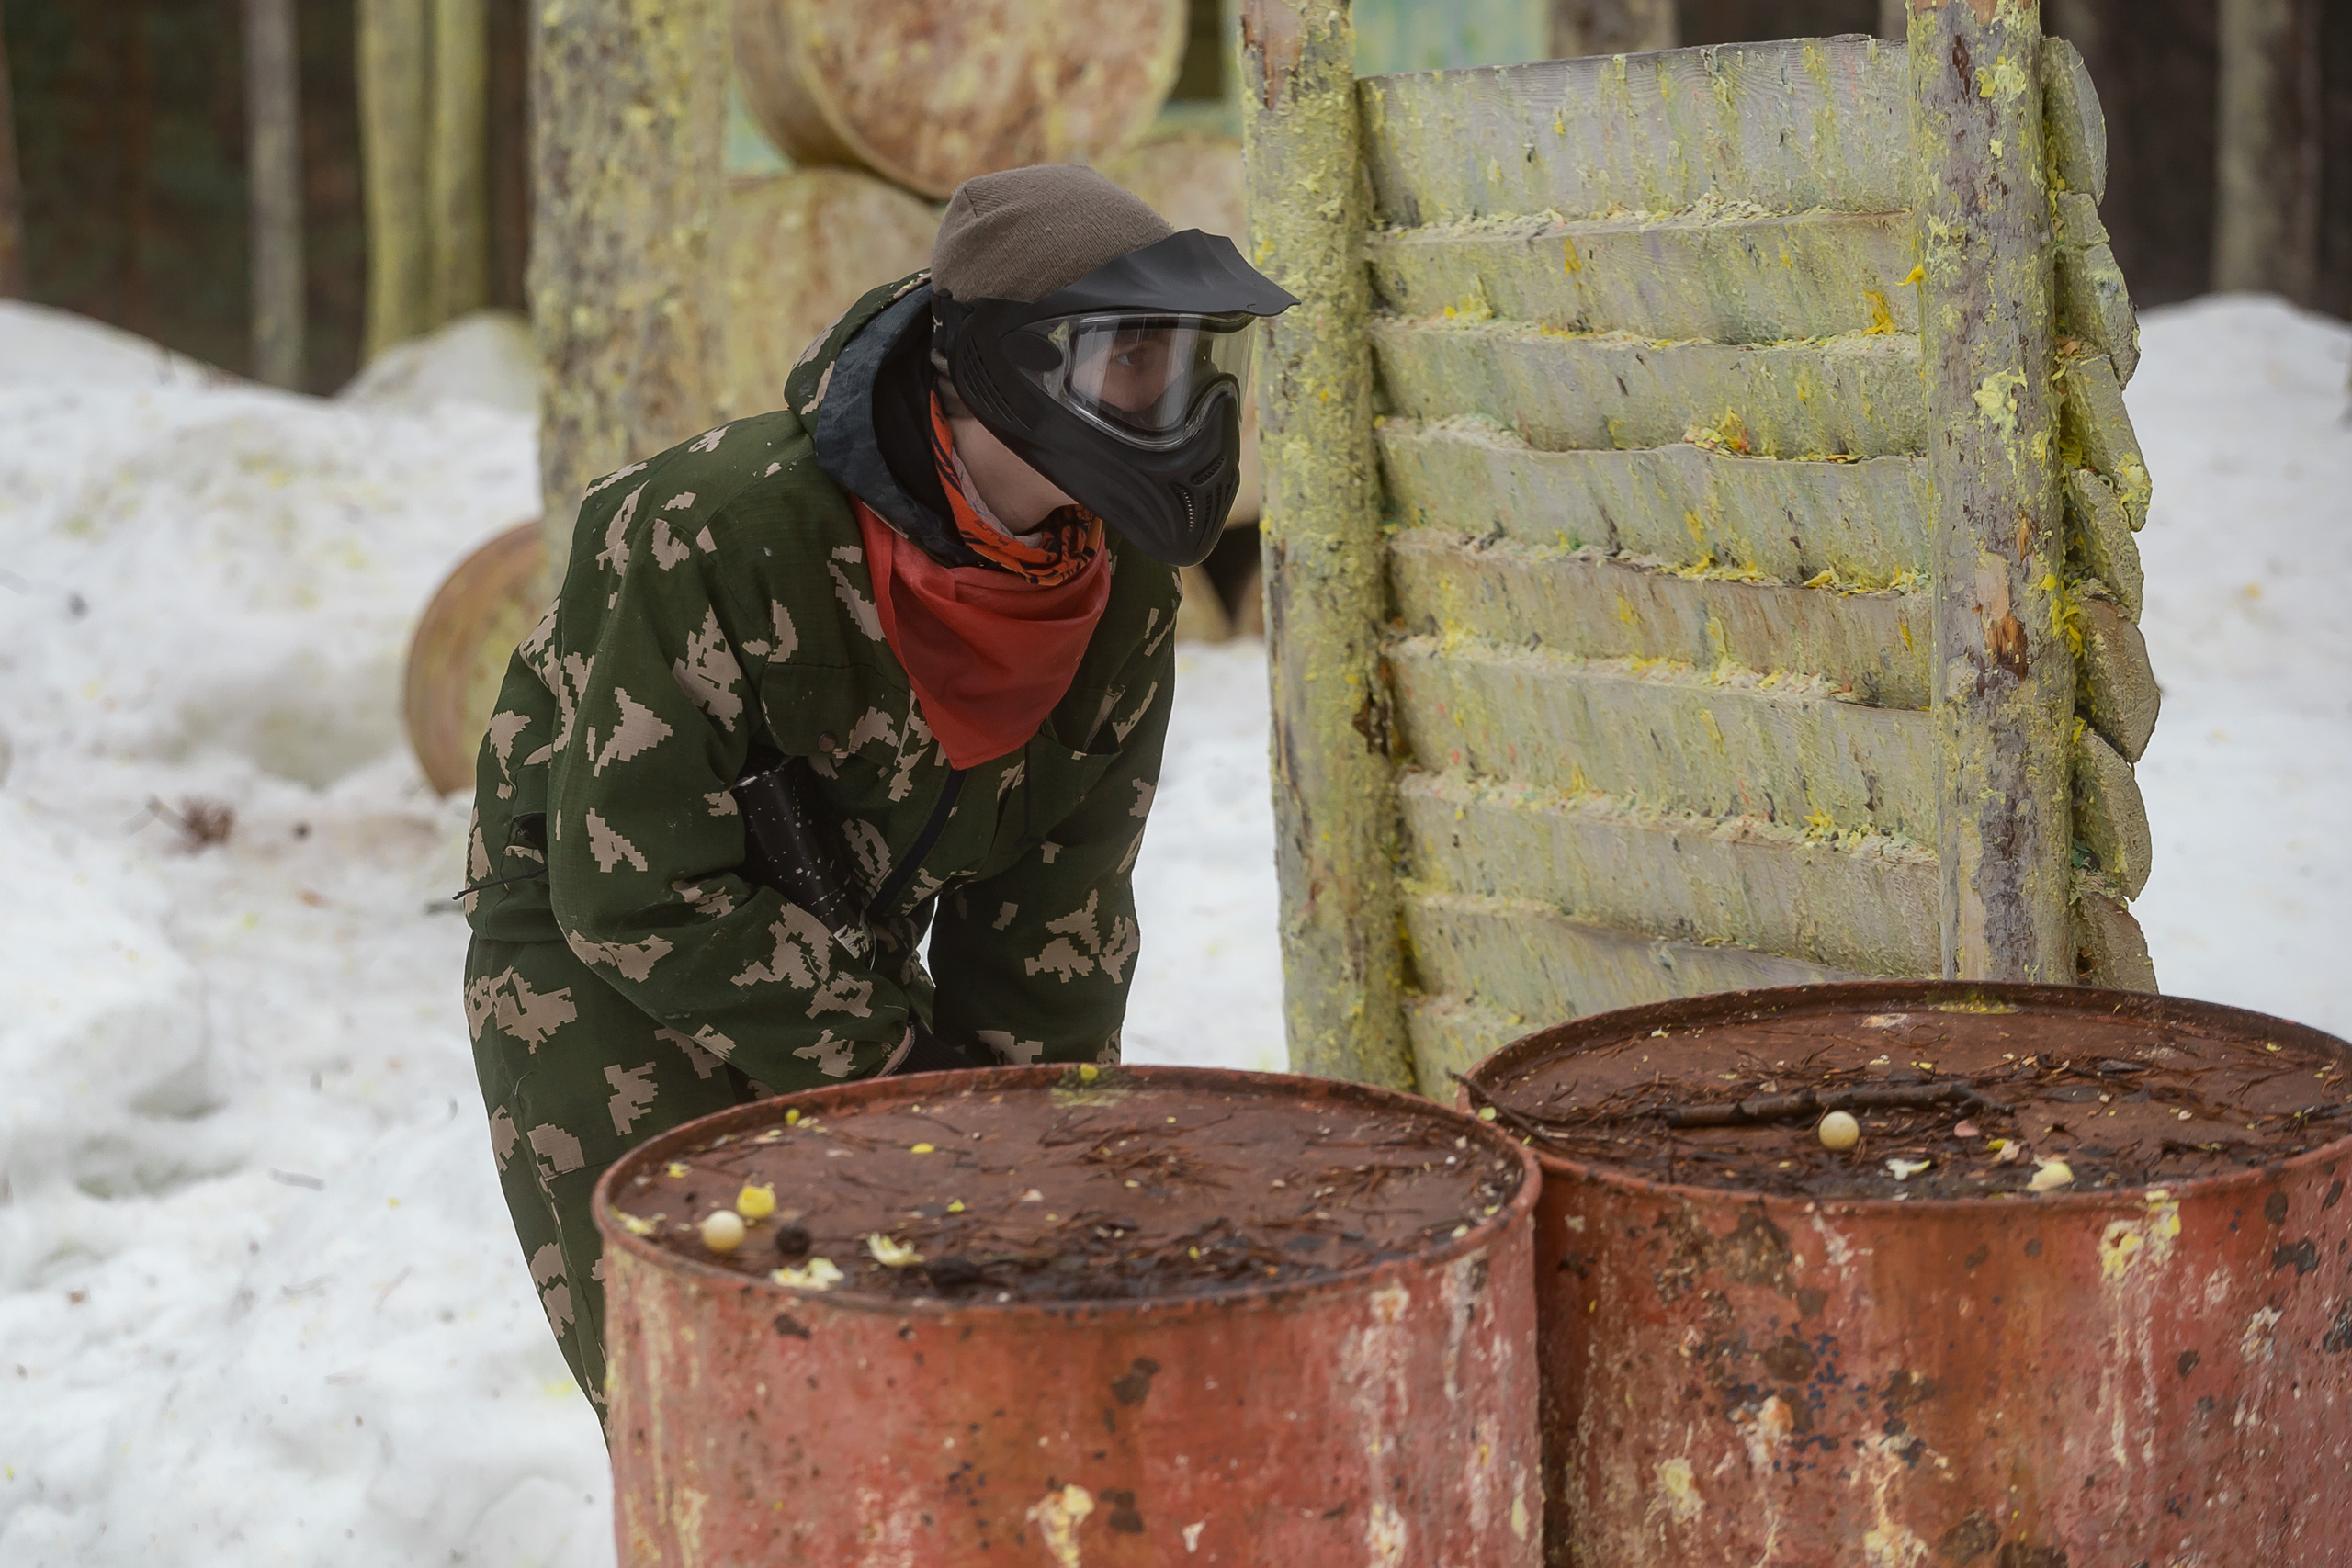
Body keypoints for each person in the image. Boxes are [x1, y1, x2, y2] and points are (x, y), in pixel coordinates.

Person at [458, 164, 1295, 1421]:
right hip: (596, 963)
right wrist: (898, 1064)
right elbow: (630, 885)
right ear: (1004, 366)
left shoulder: (1119, 593)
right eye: (1131, 357)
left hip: (849, 957)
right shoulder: (718, 527)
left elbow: (1056, 914)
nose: (1169, 397)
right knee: (714, 1406)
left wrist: (1026, 1155)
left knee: (952, 1377)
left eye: (1183, 359)